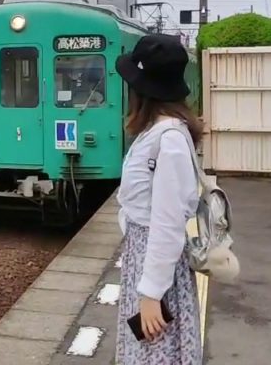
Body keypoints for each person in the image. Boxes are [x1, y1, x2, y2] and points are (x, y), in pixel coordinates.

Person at [114, 33, 203, 364]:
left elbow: (168, 222)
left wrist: (151, 292)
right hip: (144, 259)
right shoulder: (158, 131)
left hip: (156, 269)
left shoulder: (169, 140)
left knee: (155, 354)